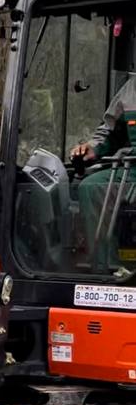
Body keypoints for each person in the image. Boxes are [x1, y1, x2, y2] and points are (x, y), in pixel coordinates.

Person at [71, 73, 136, 271]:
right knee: (91, 188)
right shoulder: (131, 89)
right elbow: (109, 130)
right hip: (133, 170)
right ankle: (107, 270)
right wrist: (93, 148)